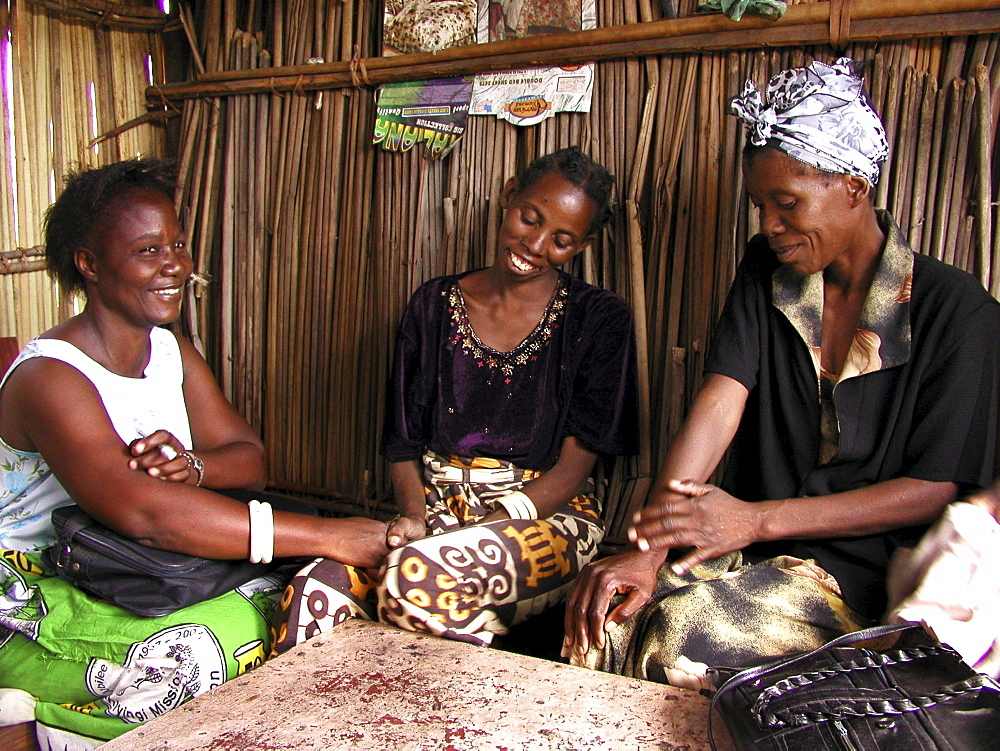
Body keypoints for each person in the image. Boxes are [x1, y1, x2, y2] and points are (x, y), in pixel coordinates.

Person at [564, 58, 1000, 688]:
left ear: (854, 184)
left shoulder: (958, 313)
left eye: (787, 203)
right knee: (606, 618)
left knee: (681, 641)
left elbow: (931, 489)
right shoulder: (767, 273)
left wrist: (756, 519)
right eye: (760, 205)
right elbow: (720, 401)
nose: (768, 225)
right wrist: (648, 550)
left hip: (863, 577)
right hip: (747, 551)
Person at [0, 160, 388, 748]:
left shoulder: (170, 350)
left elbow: (248, 458)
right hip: (33, 587)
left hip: (126, 570)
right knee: (207, 654)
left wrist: (192, 465)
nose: (175, 265)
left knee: (286, 607)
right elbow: (145, 514)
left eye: (178, 244)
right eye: (148, 249)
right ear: (90, 265)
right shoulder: (50, 378)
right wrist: (329, 535)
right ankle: (50, 730)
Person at [274, 147, 639, 651]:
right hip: (435, 507)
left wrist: (491, 523)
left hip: (546, 517)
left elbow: (575, 466)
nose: (534, 244)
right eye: (529, 219)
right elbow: (403, 444)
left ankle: (458, 722)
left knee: (414, 580)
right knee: (312, 593)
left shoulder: (599, 318)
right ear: (508, 196)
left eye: (561, 239)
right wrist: (416, 517)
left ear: (583, 244)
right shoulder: (433, 305)